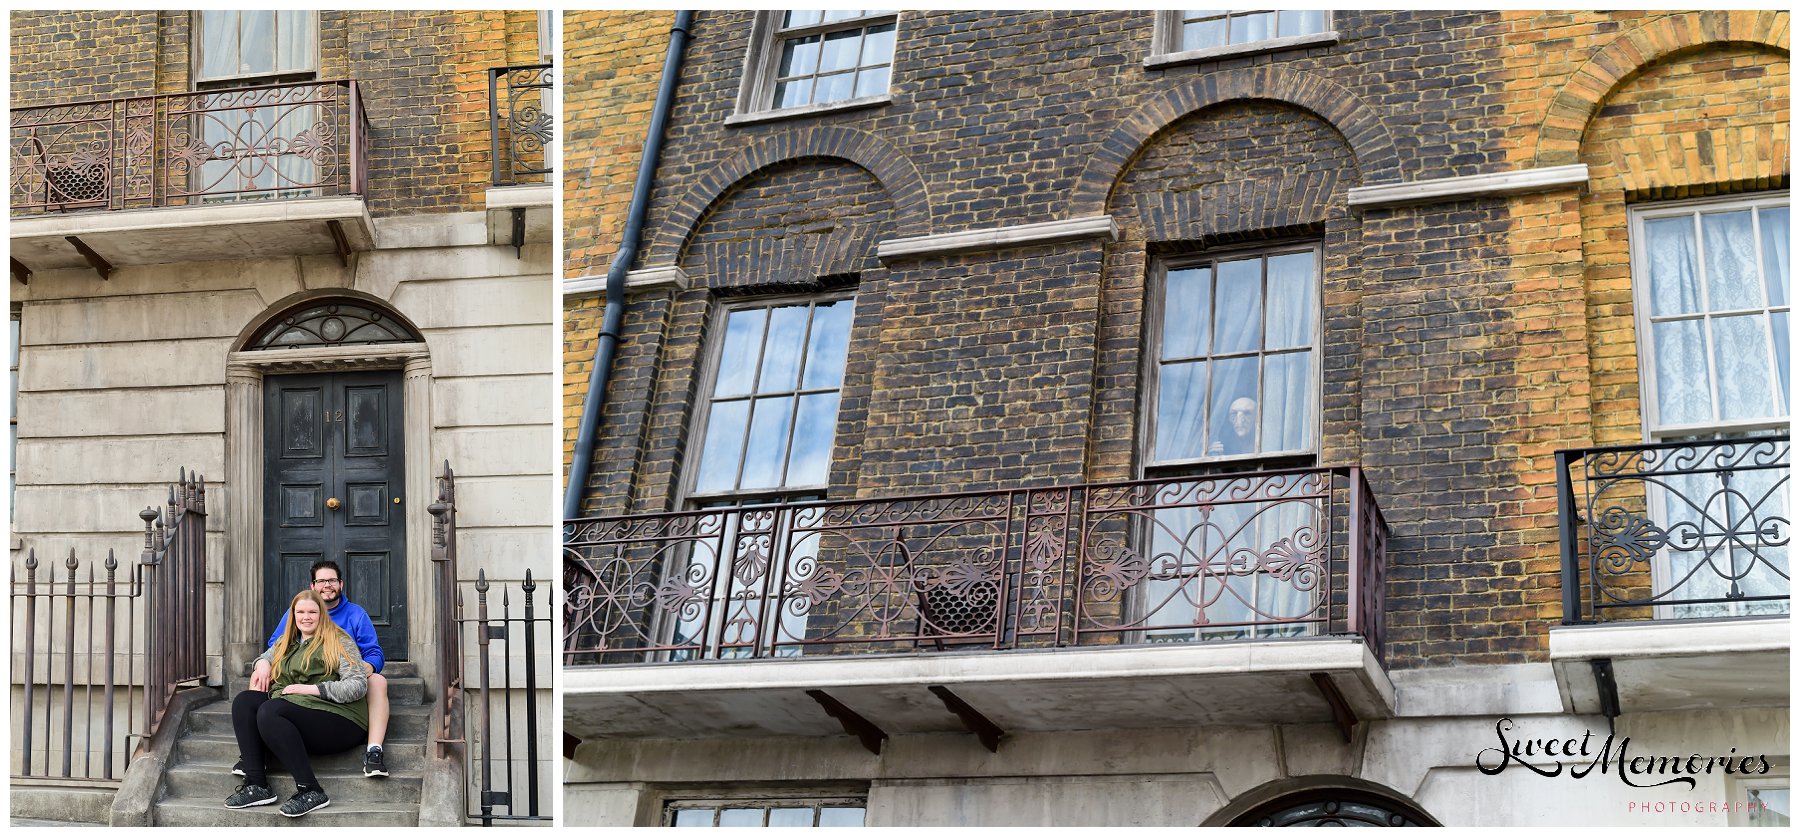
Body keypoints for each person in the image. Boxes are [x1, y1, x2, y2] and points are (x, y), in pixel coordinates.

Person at [225, 590, 369, 817]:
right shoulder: (287, 641)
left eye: (312, 612)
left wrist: (312, 689)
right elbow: (266, 656)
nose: (306, 617)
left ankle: (311, 790)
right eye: (300, 612)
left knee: (270, 710)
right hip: (300, 711)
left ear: (322, 614)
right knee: (244, 702)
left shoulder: (339, 640)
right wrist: (261, 664)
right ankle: (257, 785)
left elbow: (358, 685)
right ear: (293, 615)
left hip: (342, 720)